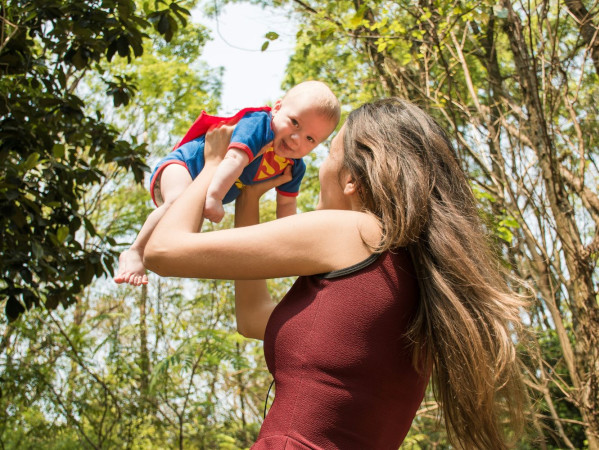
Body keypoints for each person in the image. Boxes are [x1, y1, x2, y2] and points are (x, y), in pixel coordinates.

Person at [143, 98, 527, 449]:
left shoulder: (356, 232)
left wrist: (212, 164)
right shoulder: (411, 272)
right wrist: (250, 196)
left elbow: (163, 251)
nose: (318, 165)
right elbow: (254, 318)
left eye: (328, 153)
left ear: (351, 179)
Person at [114, 80, 340, 286]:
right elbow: (233, 159)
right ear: (277, 108)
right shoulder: (259, 126)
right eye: (294, 123)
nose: (296, 139)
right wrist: (214, 197)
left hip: (204, 187)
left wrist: (294, 245)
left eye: (310, 138)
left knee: (185, 233)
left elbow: (287, 208)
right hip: (185, 165)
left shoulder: (293, 167)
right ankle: (135, 250)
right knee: (176, 202)